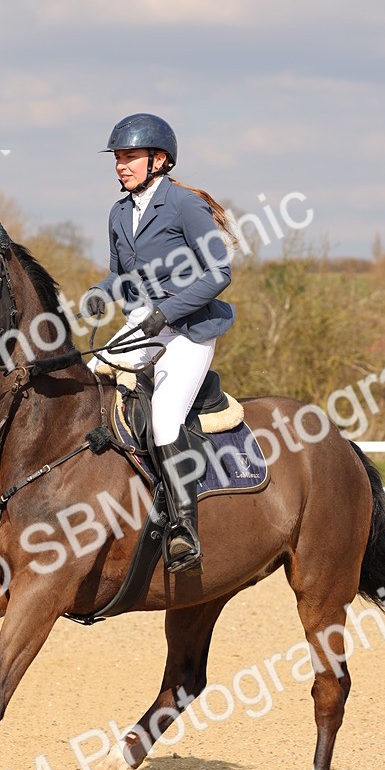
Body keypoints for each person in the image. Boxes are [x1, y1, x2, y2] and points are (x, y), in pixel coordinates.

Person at [83, 113, 237, 574]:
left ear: (159, 160)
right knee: (89, 390)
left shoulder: (183, 205)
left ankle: (183, 529)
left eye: (129, 157)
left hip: (188, 329)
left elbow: (219, 273)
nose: (120, 166)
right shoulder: (118, 212)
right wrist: (98, 293)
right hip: (142, 324)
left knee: (167, 417)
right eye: (118, 158)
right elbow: (120, 274)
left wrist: (166, 313)